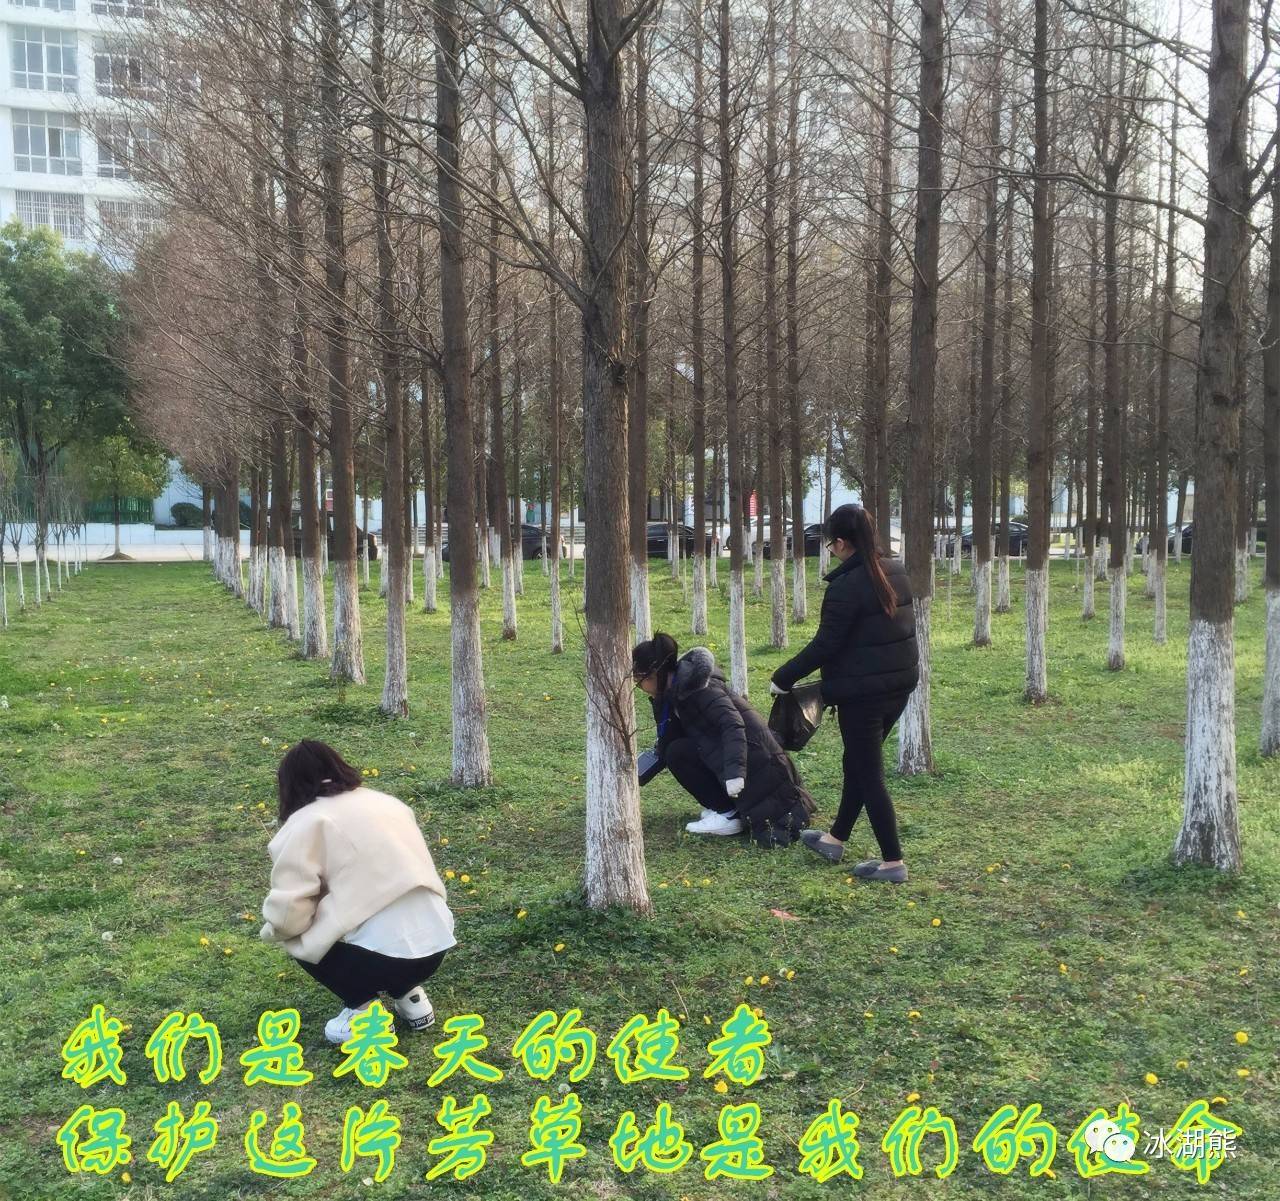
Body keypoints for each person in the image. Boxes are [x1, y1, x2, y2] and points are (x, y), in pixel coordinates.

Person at [259, 740, 456, 1044]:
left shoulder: (306, 823)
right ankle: (412, 999)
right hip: (436, 944)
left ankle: (364, 1013)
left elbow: (289, 913)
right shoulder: (388, 803)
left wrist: (272, 931)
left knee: (297, 933)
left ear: (288, 785)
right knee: (387, 915)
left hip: (379, 958)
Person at [770, 504, 918, 881]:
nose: (831, 550)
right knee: (857, 763)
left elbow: (826, 645)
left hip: (863, 696)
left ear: (840, 543)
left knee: (868, 773)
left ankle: (893, 862)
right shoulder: (896, 570)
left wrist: (783, 677)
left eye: (829, 544)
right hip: (898, 687)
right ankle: (835, 839)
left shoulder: (846, 586)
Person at [633, 632, 814, 847]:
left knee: (678, 753)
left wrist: (736, 774)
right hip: (730, 755)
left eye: (638, 680)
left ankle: (728, 814)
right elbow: (669, 737)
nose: (638, 686)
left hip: (753, 758)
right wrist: (635, 774)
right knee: (676, 750)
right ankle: (726, 807)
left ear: (654, 674)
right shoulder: (674, 692)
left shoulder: (701, 689)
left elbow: (733, 724)